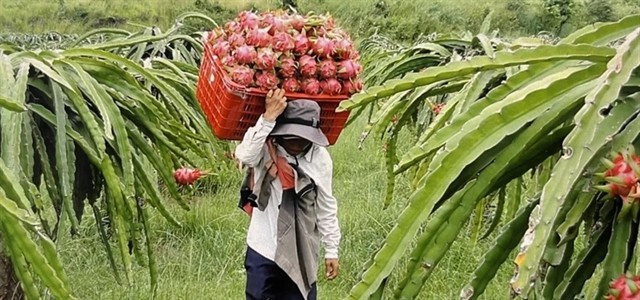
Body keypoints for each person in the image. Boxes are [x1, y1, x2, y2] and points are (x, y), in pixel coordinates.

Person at [235, 89, 341, 300]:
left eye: (301, 140)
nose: (295, 145)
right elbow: (244, 155)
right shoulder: (264, 145)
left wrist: (332, 249)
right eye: (290, 138)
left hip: (301, 249)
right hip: (263, 247)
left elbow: (326, 206)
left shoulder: (320, 159)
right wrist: (267, 118)